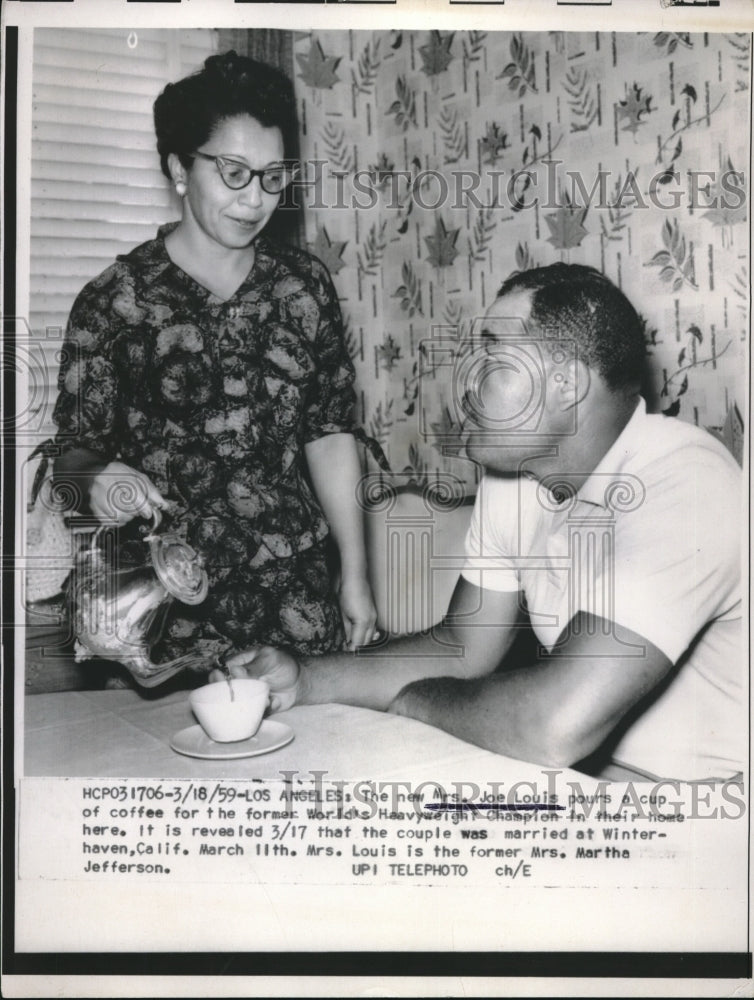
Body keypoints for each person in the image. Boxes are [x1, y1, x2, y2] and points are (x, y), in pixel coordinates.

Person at [216, 263, 744, 782]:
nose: (466, 386)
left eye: (494, 354)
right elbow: (462, 647)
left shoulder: (684, 481)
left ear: (567, 384)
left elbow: (553, 724)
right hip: (587, 786)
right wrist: (305, 679)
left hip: (701, 817)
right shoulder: (518, 475)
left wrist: (416, 702)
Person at [52, 51, 377, 677]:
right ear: (179, 167)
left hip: (296, 597)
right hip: (168, 604)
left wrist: (356, 576)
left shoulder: (304, 285)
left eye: (272, 176)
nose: (256, 199)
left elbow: (330, 433)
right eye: (233, 172)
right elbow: (71, 459)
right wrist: (96, 477)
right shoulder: (115, 300)